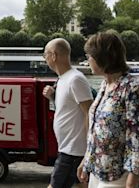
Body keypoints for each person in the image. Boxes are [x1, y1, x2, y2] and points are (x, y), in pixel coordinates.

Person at [77, 32, 139, 188]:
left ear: (102, 57)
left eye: (89, 56)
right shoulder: (106, 85)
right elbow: (96, 130)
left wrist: (133, 179)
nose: (88, 60)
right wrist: (86, 160)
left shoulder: (134, 89)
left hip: (120, 176)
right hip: (99, 171)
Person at [42, 38, 93, 188]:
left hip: (73, 151)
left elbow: (89, 113)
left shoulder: (75, 79)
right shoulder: (63, 79)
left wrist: (88, 151)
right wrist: (52, 96)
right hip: (67, 148)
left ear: (53, 55)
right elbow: (67, 110)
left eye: (45, 55)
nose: (45, 59)